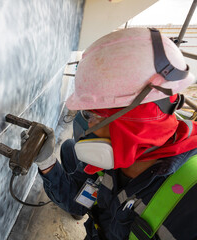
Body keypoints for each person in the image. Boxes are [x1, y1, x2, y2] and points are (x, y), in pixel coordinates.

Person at [30, 28, 197, 240]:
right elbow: (78, 201)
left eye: (90, 114)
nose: (87, 125)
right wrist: (46, 164)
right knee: (69, 148)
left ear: (130, 119)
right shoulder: (118, 158)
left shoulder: (190, 204)